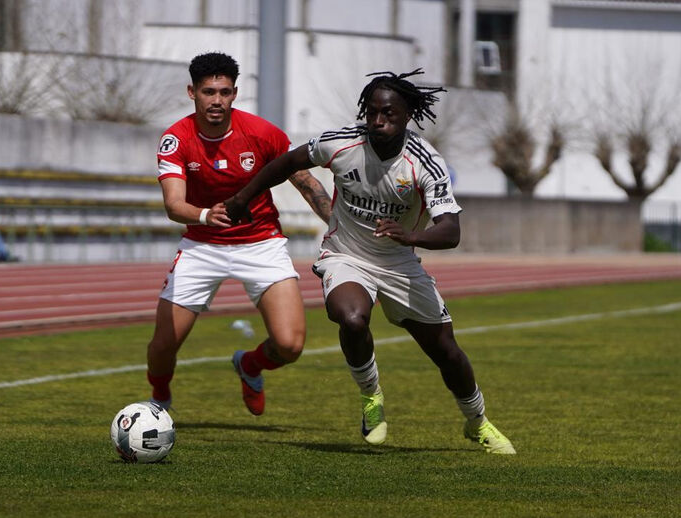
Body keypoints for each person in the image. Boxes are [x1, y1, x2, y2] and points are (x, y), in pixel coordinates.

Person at [225, 69, 516, 453]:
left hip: (400, 264)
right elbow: (286, 162)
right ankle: (371, 397)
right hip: (345, 255)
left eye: (389, 114)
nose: (378, 121)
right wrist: (242, 198)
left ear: (408, 115)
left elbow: (450, 230)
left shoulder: (425, 162)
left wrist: (411, 236)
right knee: (351, 317)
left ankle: (477, 422)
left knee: (445, 351)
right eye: (372, 112)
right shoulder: (340, 143)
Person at [146, 52, 331, 415]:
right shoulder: (176, 139)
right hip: (202, 246)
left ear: (234, 93)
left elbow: (308, 184)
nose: (217, 100)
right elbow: (173, 205)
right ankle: (160, 397)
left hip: (261, 243)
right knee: (163, 345)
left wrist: (337, 225)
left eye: (225, 92)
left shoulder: (263, 134)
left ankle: (250, 364)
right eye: (208, 92)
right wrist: (205, 215)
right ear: (192, 92)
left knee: (290, 345)